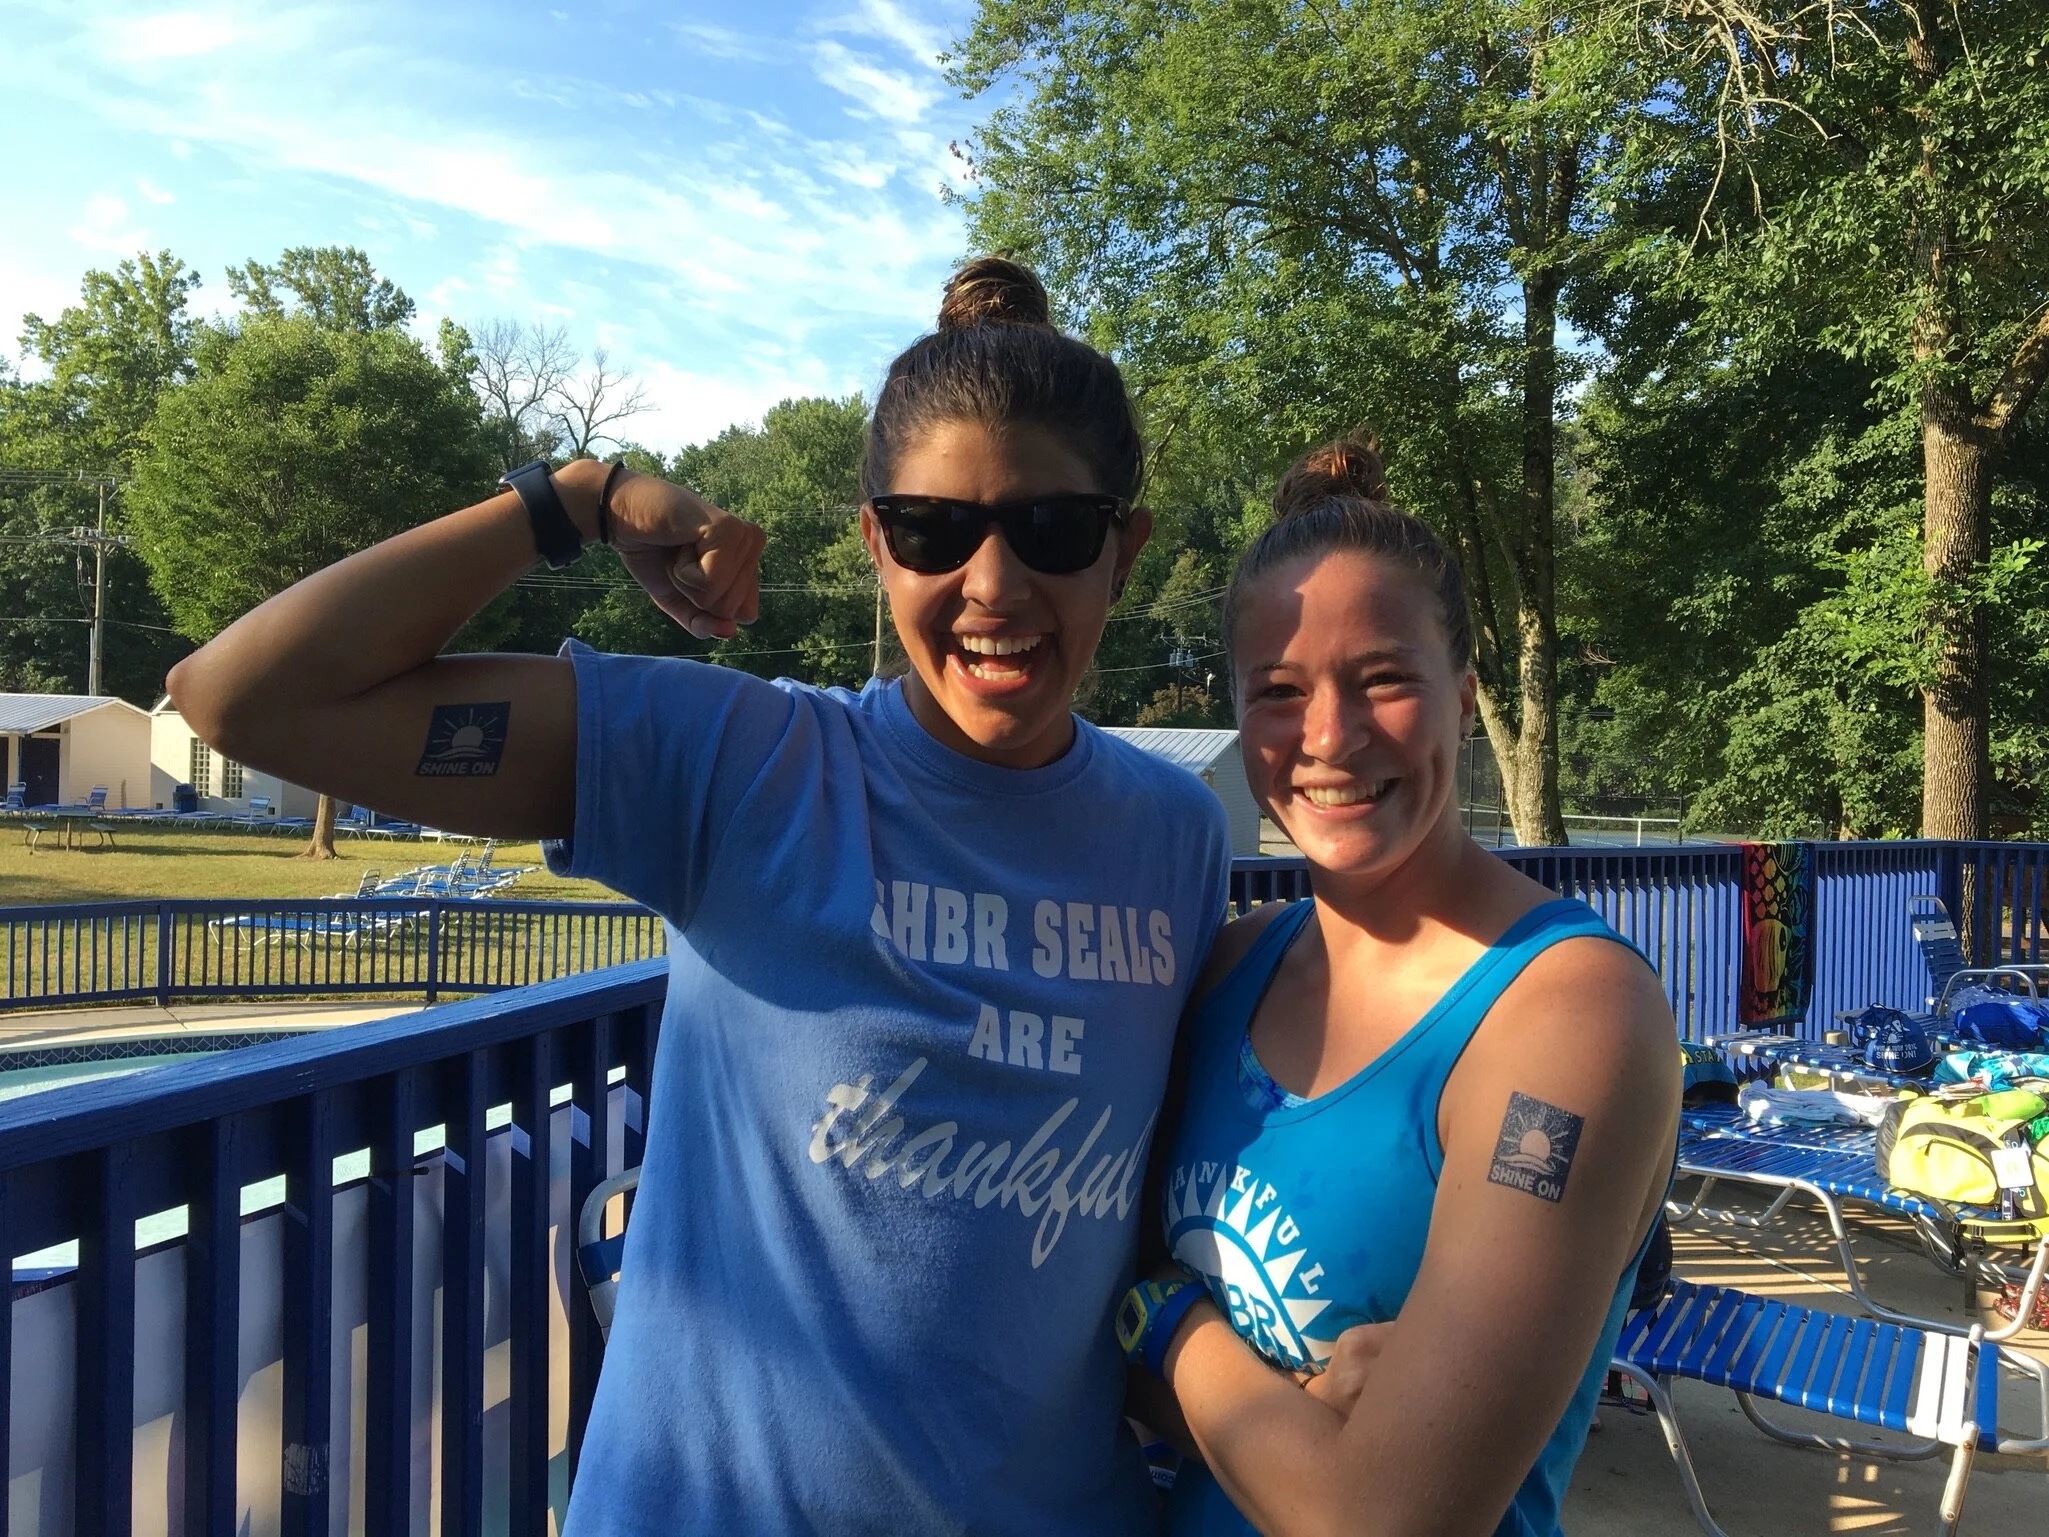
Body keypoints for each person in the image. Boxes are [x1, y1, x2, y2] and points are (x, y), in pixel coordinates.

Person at [167, 257, 1234, 1534]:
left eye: (1054, 532)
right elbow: (240, 697)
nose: (992, 589)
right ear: (874, 547)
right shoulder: (737, 765)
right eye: (932, 532)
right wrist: (574, 499)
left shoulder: (1175, 835)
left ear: (1127, 550)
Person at [1116, 439, 1681, 1537]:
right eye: (1280, 693)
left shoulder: (1569, 1015)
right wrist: (1297, 1421)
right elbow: (1085, 1339)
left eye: (1382, 679)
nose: (1329, 738)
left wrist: (1166, 1319)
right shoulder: (1232, 965)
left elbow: (1386, 1516)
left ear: (1463, 700)